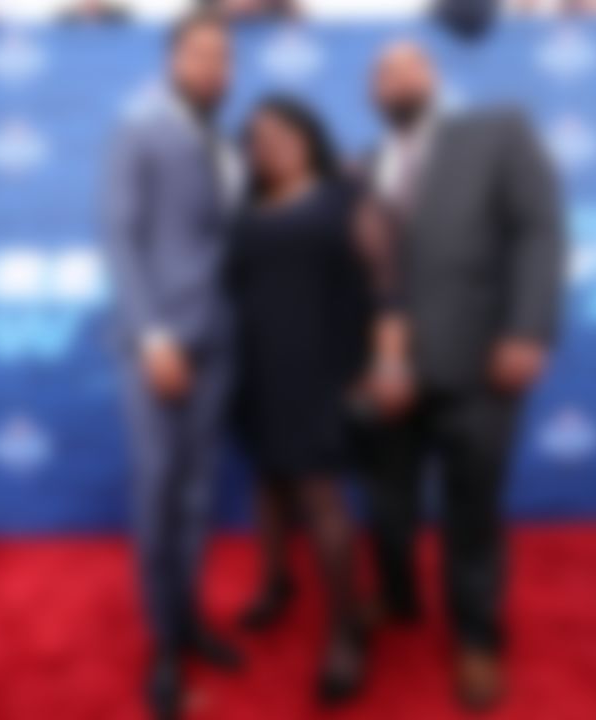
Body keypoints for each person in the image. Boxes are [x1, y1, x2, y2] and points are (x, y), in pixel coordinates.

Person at [357, 40, 565, 711]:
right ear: (372, 96)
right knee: (389, 510)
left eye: (407, 65)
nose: (395, 79)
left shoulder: (497, 130)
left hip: (480, 366)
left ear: (435, 76)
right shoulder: (362, 166)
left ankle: (477, 640)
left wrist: (528, 329)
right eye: (382, 74)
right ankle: (398, 601)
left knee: (472, 516)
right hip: (388, 377)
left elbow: (542, 232)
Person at [102, 12, 245, 720]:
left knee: (196, 497)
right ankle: (163, 645)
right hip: (160, 347)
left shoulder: (224, 142)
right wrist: (153, 336)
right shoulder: (140, 126)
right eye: (200, 53)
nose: (215, 67)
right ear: (171, 60)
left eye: (224, 56)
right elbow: (121, 239)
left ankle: (187, 619)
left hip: (219, 342)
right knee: (158, 495)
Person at [225, 96, 386, 706]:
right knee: (267, 481)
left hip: (322, 371)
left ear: (307, 133)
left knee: (321, 498)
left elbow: (383, 279)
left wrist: (378, 359)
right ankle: (277, 585)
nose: (268, 144)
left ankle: (347, 630)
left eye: (281, 132)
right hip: (256, 371)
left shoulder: (346, 195)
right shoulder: (245, 210)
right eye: (256, 137)